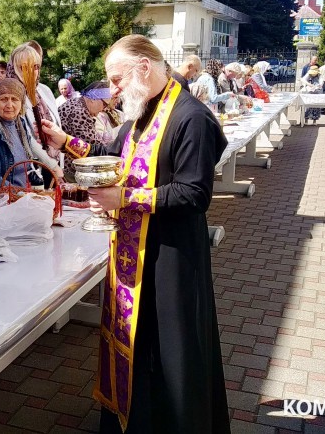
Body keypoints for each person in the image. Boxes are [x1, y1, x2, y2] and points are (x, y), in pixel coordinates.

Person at [39, 35, 229, 433]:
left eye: (117, 78)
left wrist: (121, 198)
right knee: (139, 349)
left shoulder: (189, 117)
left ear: (143, 67)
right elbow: (115, 156)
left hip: (170, 259)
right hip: (136, 256)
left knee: (169, 355)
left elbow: (194, 193)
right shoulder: (143, 111)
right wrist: (67, 144)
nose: (114, 89)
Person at [0, 79, 59, 194]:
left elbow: (27, 167)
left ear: (21, 103)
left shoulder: (19, 123)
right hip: (3, 202)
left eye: (14, 99)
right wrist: (23, 194)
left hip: (22, 196)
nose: (9, 105)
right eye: (3, 99)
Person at [8, 44, 63, 176]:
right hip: (32, 167)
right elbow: (24, 136)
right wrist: (53, 166)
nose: (31, 72)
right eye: (24, 68)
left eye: (35, 67)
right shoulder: (11, 94)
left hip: (55, 160)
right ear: (14, 68)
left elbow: (56, 123)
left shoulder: (44, 90)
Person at [59, 81, 121, 180]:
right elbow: (92, 147)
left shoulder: (77, 104)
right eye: (104, 105)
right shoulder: (79, 112)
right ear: (93, 99)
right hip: (71, 172)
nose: (103, 109)